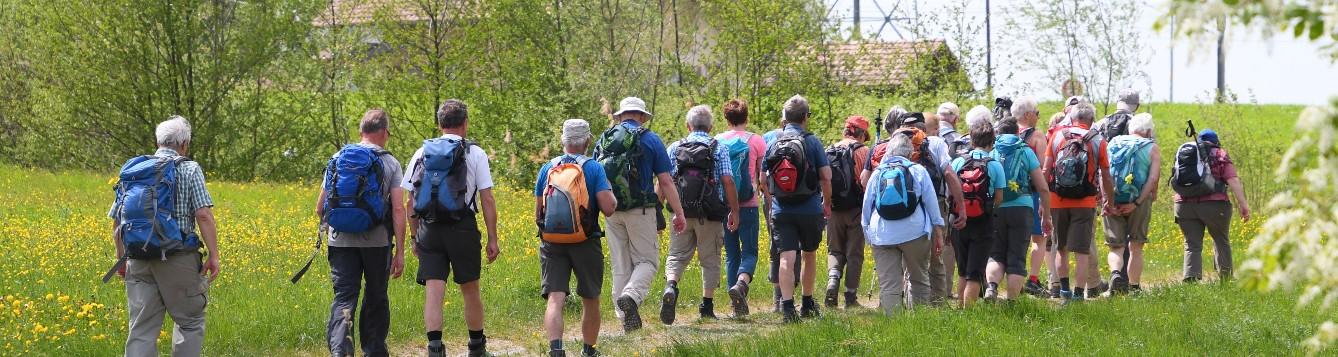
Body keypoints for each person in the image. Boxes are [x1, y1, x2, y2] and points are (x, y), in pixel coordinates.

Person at [110, 116, 220, 357]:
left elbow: (118, 220)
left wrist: (121, 259)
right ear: (184, 144)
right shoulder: (189, 168)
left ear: (158, 141)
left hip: (138, 257)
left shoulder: (134, 171)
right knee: (189, 322)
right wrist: (214, 255)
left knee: (141, 329)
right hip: (177, 257)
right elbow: (203, 215)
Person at [402, 99, 501, 357]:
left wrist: (415, 237)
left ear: (439, 124)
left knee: (434, 291)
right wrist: (493, 238)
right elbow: (487, 199)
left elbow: (410, 201)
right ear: (465, 123)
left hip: (429, 228)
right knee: (470, 289)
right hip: (462, 227)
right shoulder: (474, 153)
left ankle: (435, 348)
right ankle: (476, 347)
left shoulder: (421, 152)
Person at [315, 109, 406, 357]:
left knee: (344, 297)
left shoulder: (338, 157)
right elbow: (398, 209)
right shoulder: (391, 162)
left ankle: (341, 351)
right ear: (384, 133)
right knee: (376, 295)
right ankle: (374, 351)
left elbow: (319, 207)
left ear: (361, 132)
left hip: (340, 241)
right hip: (376, 242)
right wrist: (400, 251)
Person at [593, 97, 686, 332]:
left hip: (612, 211)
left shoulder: (605, 139)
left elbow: (594, 176)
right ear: (642, 116)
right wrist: (679, 212)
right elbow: (665, 180)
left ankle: (625, 322)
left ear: (621, 116)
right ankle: (632, 298)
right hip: (640, 211)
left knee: (620, 263)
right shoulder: (650, 139)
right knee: (647, 261)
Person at [535, 119, 617, 357]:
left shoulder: (547, 168)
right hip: (585, 240)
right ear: (588, 141)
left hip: (552, 242)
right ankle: (588, 350)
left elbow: (538, 213)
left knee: (555, 297)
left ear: (563, 141)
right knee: (590, 297)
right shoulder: (593, 168)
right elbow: (609, 208)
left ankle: (556, 350)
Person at [661, 105, 741, 324]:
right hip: (710, 213)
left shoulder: (674, 147)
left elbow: (664, 181)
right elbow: (728, 180)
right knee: (710, 258)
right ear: (711, 126)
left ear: (688, 126)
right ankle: (706, 306)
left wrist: (658, 211)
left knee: (677, 255)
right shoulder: (718, 148)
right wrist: (734, 210)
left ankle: (671, 286)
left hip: (681, 212)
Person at [764, 95, 833, 322]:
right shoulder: (812, 142)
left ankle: (787, 308)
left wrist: (775, 198)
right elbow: (825, 176)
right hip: (809, 208)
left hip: (781, 209)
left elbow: (763, 180)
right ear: (806, 117)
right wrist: (827, 204)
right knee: (809, 255)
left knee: (786, 257)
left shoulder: (774, 141)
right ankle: (807, 303)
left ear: (785, 117)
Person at [861, 134, 944, 315]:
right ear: (911, 152)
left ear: (888, 152)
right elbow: (931, 204)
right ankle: (920, 323)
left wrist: (868, 235)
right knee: (919, 278)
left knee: (889, 283)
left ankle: (894, 326)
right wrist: (938, 231)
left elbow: (866, 208)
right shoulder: (918, 170)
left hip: (882, 235)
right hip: (914, 233)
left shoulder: (877, 173)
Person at [1043, 102, 1118, 301]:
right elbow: (1107, 177)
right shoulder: (1098, 140)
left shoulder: (1057, 135)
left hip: (1057, 200)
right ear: (1092, 120)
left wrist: (1044, 203)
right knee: (1082, 251)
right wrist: (1109, 201)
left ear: (1072, 117)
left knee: (1061, 248)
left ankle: (1064, 292)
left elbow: (1046, 170)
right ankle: (1078, 295)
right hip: (1085, 202)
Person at [987, 117, 1053, 301]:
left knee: (996, 254)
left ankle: (991, 287)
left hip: (996, 208)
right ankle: (1011, 303)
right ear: (1018, 133)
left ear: (998, 133)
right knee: (1016, 258)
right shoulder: (1025, 151)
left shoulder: (992, 152)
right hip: (1022, 207)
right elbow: (1043, 188)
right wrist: (1046, 215)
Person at [1175, 129, 1251, 282]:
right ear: (1216, 141)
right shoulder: (1219, 154)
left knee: (1191, 243)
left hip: (1184, 204)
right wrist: (1243, 204)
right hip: (1214, 205)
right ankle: (1225, 279)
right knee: (1220, 239)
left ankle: (1191, 278)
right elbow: (1233, 180)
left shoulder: (1185, 152)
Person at [715, 99, 767, 317]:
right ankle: (742, 284)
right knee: (750, 251)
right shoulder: (757, 141)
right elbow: (762, 177)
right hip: (749, 204)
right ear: (746, 117)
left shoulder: (717, 141)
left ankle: (735, 305)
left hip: (725, 205)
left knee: (731, 254)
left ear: (726, 119)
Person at [948, 119, 1006, 306]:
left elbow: (951, 192)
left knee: (963, 271)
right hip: (983, 223)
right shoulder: (995, 165)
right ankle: (969, 316)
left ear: (971, 140)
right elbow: (999, 197)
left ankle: (960, 310)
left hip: (959, 221)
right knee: (975, 273)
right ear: (992, 142)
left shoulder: (957, 162)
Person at [1103, 113, 1161, 295]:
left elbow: (1102, 172)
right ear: (1149, 131)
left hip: (1113, 198)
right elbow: (1152, 178)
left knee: (1115, 246)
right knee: (1135, 246)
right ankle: (1134, 288)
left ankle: (1114, 274)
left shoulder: (1112, 143)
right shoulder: (1152, 147)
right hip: (1139, 201)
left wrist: (1108, 200)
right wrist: (1137, 203)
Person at [823, 116, 872, 308]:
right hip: (856, 210)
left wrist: (826, 203)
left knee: (834, 249)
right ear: (861, 134)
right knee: (854, 254)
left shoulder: (829, 150)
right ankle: (850, 297)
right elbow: (866, 183)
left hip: (833, 208)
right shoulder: (864, 152)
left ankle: (833, 279)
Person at [761, 116, 801, 313]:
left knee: (776, 246)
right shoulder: (804, 139)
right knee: (795, 248)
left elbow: (761, 176)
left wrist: (770, 199)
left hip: (773, 200)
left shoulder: (768, 138)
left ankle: (777, 300)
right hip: (799, 202)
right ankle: (790, 296)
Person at [933, 102, 963, 303]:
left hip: (925, 198)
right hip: (949, 199)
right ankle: (945, 289)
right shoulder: (959, 141)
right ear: (956, 119)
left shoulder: (927, 139)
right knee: (947, 243)